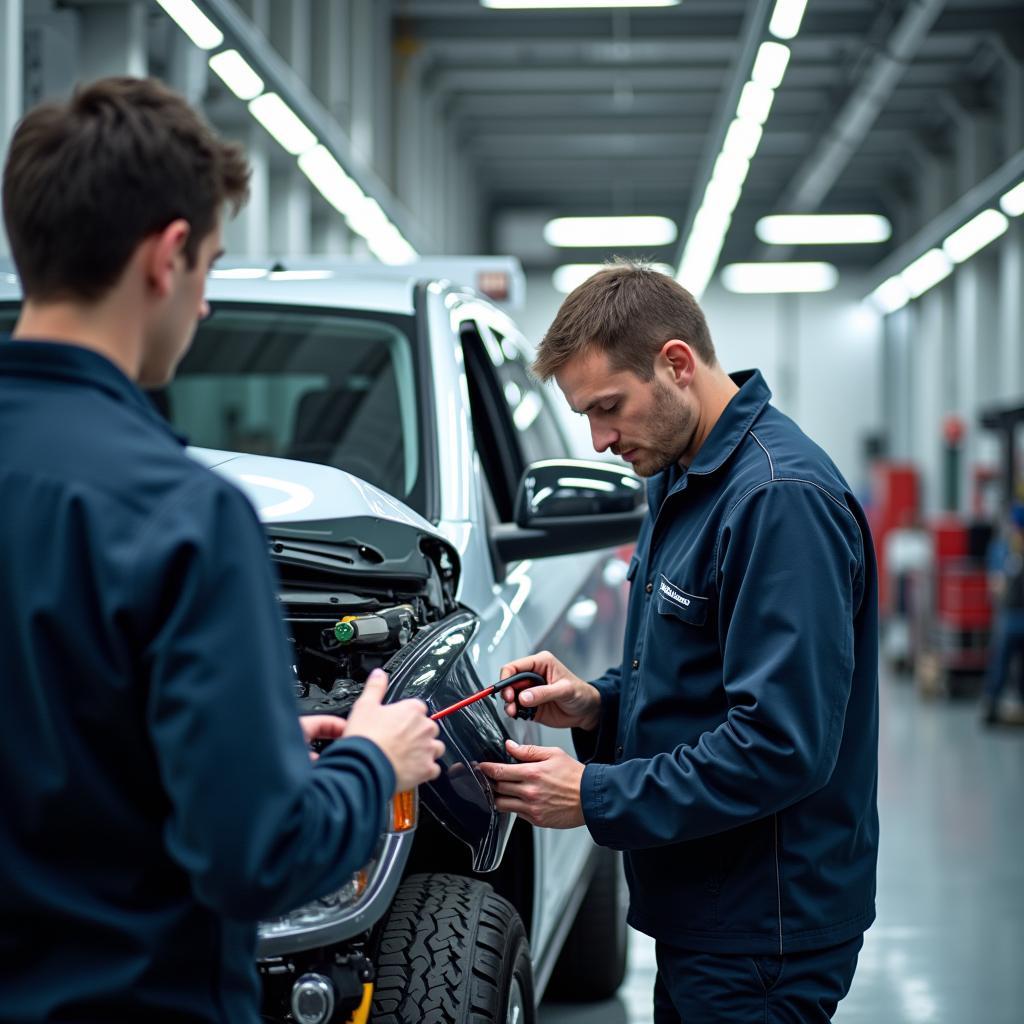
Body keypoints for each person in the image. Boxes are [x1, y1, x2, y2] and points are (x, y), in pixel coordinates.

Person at [0, 77, 443, 1023]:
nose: (202, 305)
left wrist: (254, 743)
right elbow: (257, 856)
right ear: (167, 258)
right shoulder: (184, 515)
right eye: (209, 266)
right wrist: (371, 760)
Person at [479, 262, 879, 1021]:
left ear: (676, 365)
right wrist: (597, 705)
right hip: (707, 903)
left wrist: (595, 796)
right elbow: (705, 680)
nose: (599, 441)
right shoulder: (682, 478)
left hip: (764, 926)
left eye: (608, 408)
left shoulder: (777, 500)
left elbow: (779, 745)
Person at [981, 503, 1024, 726]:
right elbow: (995, 584)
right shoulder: (1002, 549)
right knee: (1000, 660)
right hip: (1009, 615)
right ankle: (991, 703)